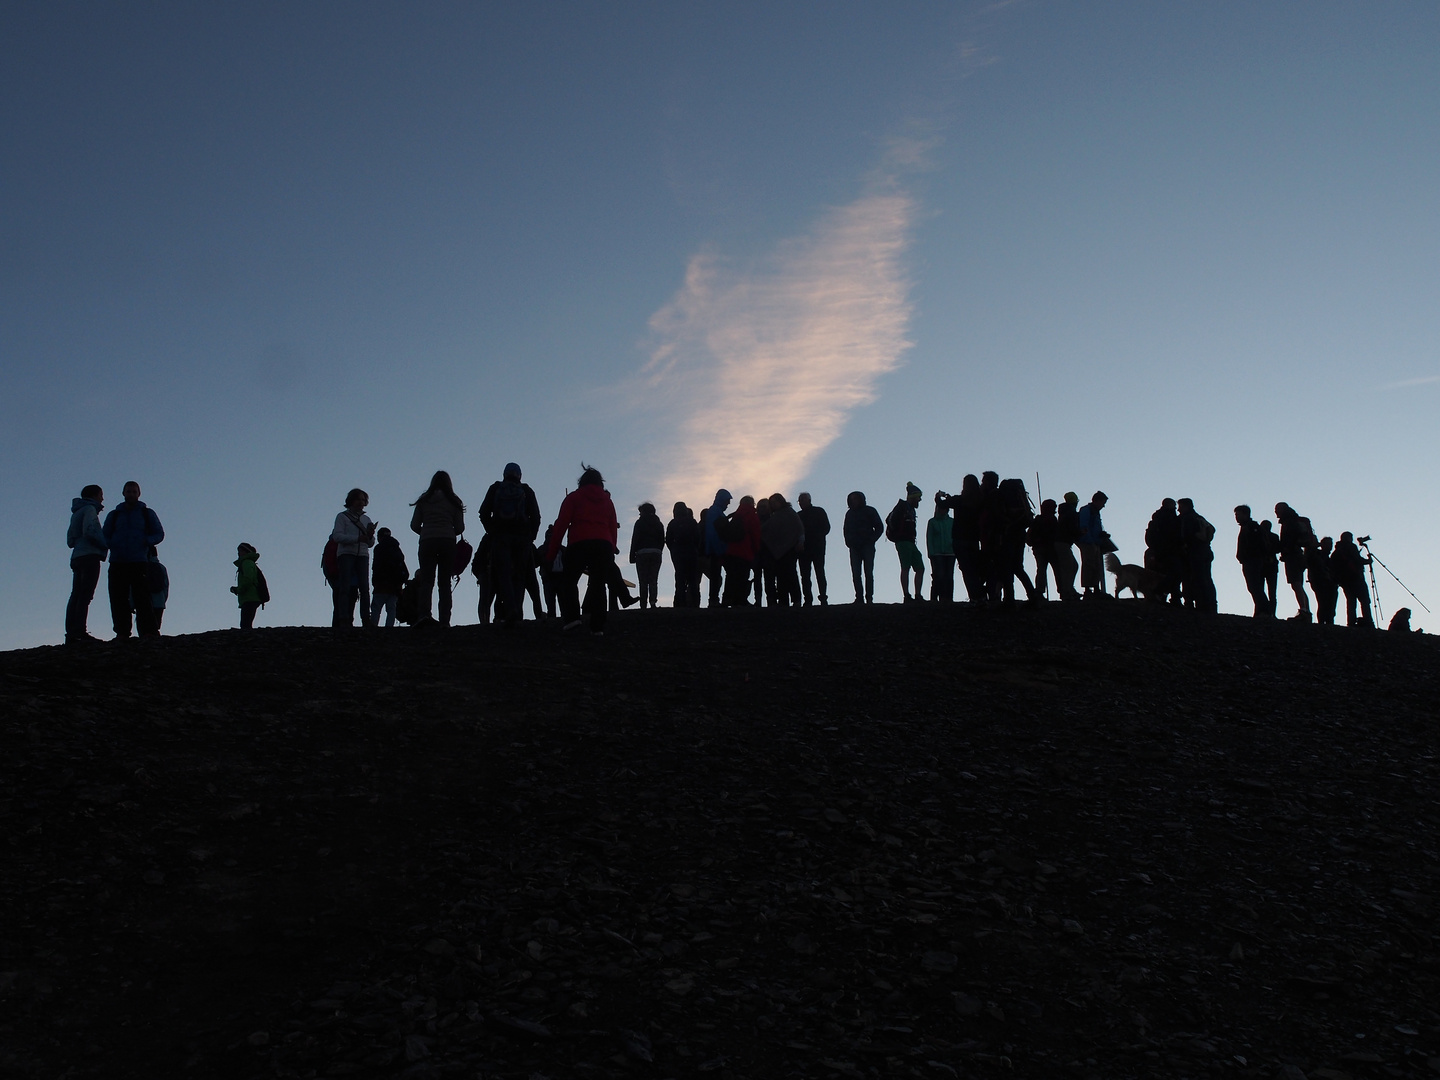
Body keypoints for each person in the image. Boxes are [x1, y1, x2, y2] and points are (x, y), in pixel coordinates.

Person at [545, 464, 620, 635]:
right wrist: (612, 549)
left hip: (578, 543)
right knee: (598, 583)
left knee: (569, 581)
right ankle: (597, 626)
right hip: (603, 544)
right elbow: (612, 527)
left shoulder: (573, 498)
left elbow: (561, 526)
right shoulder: (608, 501)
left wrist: (551, 553)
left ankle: (572, 618)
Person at [479, 463, 541, 626]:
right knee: (519, 575)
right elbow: (536, 516)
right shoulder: (527, 490)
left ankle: (510, 609)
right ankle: (517, 611)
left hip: (500, 537)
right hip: (522, 538)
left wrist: (491, 531)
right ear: (519, 475)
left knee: (503, 574)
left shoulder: (495, 488)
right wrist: (531, 537)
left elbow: (483, 512)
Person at [102, 481, 165, 639]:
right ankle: (122, 632)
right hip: (117, 560)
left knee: (142, 597)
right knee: (118, 598)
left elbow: (159, 533)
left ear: (139, 494)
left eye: (134, 491)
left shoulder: (147, 513)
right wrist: (112, 545)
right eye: (128, 491)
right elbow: (104, 535)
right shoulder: (114, 515)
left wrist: (145, 541)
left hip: (139, 560)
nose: (131, 494)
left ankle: (149, 631)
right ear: (123, 493)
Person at [409, 471, 466, 628]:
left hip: (427, 541)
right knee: (444, 583)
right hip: (447, 542)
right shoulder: (454, 501)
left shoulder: (424, 500)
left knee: (427, 580)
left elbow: (414, 525)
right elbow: (460, 527)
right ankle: (445, 620)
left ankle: (424, 615)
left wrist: (426, 532)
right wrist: (447, 531)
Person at [65, 484, 108, 644]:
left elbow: (70, 539)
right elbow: (90, 531)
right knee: (85, 595)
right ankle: (80, 631)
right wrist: (105, 544)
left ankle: (71, 632)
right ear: (95, 495)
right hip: (90, 555)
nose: (102, 498)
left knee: (76, 594)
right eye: (101, 494)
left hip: (77, 556)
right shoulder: (89, 510)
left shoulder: (76, 512)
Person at [331, 488, 376, 628]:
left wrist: (369, 536)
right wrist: (358, 538)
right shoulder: (342, 517)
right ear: (351, 500)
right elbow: (337, 536)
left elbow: (370, 543)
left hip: (362, 554)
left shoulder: (366, 519)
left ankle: (365, 618)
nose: (361, 502)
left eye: (363, 500)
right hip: (346, 554)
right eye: (358, 499)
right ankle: (344, 618)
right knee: (345, 587)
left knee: (364, 588)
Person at [1274, 502, 1317, 622]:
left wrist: (1284, 550)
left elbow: (1289, 539)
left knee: (1296, 583)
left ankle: (1303, 610)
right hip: (1299, 555)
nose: (1276, 512)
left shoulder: (1289, 522)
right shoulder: (1293, 519)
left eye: (1277, 509)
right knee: (1298, 584)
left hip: (1293, 556)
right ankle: (1306, 610)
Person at [945, 475, 986, 601]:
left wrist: (939, 497)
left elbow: (942, 504)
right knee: (974, 568)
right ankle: (980, 594)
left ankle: (974, 596)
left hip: (959, 539)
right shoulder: (980, 501)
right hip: (974, 539)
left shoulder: (959, 500)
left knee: (966, 570)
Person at [761, 493, 805, 608]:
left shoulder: (790, 513)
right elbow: (766, 531)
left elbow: (799, 529)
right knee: (780, 576)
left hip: (790, 549)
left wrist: (800, 542)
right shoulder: (774, 517)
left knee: (791, 574)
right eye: (771, 503)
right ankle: (783, 601)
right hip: (778, 552)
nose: (774, 505)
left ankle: (796, 600)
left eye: (775, 502)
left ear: (781, 501)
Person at [1234, 505, 1277, 618]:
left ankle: (1264, 610)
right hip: (1250, 560)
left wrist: (1248, 555)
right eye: (1236, 515)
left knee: (1254, 586)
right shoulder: (1248, 527)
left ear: (1246, 514)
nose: (1236, 517)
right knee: (1254, 586)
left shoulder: (1252, 527)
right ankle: (1262, 610)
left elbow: (1257, 545)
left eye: (1238, 514)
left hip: (1252, 560)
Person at [1026, 499, 1073, 601]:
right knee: (1057, 570)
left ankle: (1039, 592)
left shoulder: (1037, 520)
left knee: (1041, 570)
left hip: (1038, 548)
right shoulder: (1052, 519)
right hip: (1050, 548)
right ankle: (1063, 592)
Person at [886, 483, 926, 602]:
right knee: (906, 567)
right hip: (903, 541)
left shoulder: (909, 509)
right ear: (913, 497)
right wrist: (898, 534)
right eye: (918, 497)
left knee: (919, 567)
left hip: (910, 541)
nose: (920, 500)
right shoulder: (902, 507)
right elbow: (890, 520)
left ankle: (917, 594)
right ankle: (907, 595)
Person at [843, 491, 884, 604]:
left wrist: (871, 539)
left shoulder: (870, 511)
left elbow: (879, 527)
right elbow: (845, 529)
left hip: (867, 546)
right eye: (851, 499)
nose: (853, 501)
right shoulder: (849, 514)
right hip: (854, 547)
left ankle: (869, 598)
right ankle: (859, 597)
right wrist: (848, 542)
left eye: (855, 499)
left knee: (868, 572)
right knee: (856, 573)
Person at [1176, 498, 1216, 613]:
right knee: (1206, 578)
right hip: (1205, 551)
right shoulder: (1200, 518)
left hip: (1194, 552)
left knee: (1193, 578)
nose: (1178, 509)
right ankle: (1210, 604)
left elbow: (1186, 536)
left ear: (1186, 506)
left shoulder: (1187, 519)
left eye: (1181, 506)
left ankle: (1194, 603)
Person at [723, 496, 763, 608]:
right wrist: (756, 550)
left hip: (731, 551)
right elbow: (755, 534)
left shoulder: (736, 515)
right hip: (745, 551)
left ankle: (727, 598)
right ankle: (740, 600)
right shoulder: (752, 515)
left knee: (731, 576)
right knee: (742, 576)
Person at [1144, 499, 1184, 605]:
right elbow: (1177, 536)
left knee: (1160, 575)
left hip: (1159, 552)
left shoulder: (1156, 519)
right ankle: (1173, 598)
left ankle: (1160, 596)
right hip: (1170, 552)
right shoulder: (1174, 520)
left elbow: (1149, 537)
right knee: (1175, 575)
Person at [1330, 532, 1373, 628]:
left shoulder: (1336, 552)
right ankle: (1368, 621)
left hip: (1345, 581)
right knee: (1365, 601)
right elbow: (1357, 560)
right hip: (1357, 578)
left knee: (1351, 602)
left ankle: (1351, 623)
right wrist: (1367, 561)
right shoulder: (1351, 547)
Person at [629, 502, 666, 609]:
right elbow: (662, 540)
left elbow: (635, 539)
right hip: (656, 552)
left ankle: (643, 604)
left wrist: (632, 555)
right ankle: (653, 601)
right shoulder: (659, 523)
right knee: (653, 579)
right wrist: (659, 550)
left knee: (643, 580)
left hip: (642, 553)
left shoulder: (639, 523)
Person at [370, 527, 410, 627]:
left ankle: (373, 627)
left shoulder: (379, 548)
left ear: (379, 537)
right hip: (395, 586)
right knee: (391, 608)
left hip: (381, 584)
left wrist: (375, 581)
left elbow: (376, 566)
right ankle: (389, 628)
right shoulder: (396, 548)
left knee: (376, 608)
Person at [796, 492, 830, 607]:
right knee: (805, 575)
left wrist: (815, 537)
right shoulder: (798, 515)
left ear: (809, 500)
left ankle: (822, 597)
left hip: (817, 547)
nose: (801, 503)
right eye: (800, 501)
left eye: (803, 500)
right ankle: (808, 599)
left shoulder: (818, 511)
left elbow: (826, 527)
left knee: (819, 573)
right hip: (804, 549)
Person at [699, 489, 732, 608]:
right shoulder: (715, 511)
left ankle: (716, 600)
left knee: (716, 575)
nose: (728, 504)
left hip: (717, 548)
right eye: (727, 501)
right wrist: (716, 548)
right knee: (717, 575)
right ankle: (716, 600)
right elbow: (712, 533)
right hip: (718, 549)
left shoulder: (715, 511)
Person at [665, 502, 702, 608]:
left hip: (678, 553)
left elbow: (668, 540)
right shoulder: (692, 522)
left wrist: (674, 550)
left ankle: (680, 603)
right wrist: (695, 548)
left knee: (680, 578)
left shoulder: (672, 523)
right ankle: (694, 604)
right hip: (691, 552)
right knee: (692, 579)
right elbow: (697, 538)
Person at [1075, 491, 1111, 598]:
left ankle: (1095, 588)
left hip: (1095, 542)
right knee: (1089, 564)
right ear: (1097, 501)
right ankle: (1088, 589)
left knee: (1096, 565)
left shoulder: (1094, 512)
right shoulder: (1087, 510)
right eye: (1103, 502)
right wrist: (1089, 539)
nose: (1103, 506)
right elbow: (1084, 526)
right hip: (1087, 542)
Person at [926, 493, 956, 602]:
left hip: (950, 553)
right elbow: (929, 538)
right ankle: (935, 598)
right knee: (938, 576)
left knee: (949, 577)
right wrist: (931, 553)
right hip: (937, 553)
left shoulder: (952, 522)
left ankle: (948, 598)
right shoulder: (932, 522)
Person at [1054, 492, 1082, 601]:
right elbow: (1072, 529)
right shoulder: (1072, 513)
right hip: (1063, 543)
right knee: (1070, 567)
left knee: (1070, 566)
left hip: (1061, 542)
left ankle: (1068, 590)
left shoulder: (1064, 511)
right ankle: (1067, 591)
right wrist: (1080, 532)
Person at [231, 543, 264, 629]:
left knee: (245, 625)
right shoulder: (249, 563)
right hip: (251, 597)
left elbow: (248, 579)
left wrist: (238, 590)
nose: (238, 554)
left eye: (240, 551)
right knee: (246, 623)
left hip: (250, 597)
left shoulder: (246, 563)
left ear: (246, 552)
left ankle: (249, 641)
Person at [1309, 536, 1338, 626]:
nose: (1330, 546)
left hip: (1329, 582)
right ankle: (1323, 623)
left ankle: (1327, 622)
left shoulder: (1327, 558)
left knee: (1329, 603)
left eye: (1331, 544)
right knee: (1323, 603)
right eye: (1328, 544)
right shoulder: (1317, 554)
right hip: (1320, 582)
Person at [146, 546, 169, 629]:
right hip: (159, 601)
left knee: (144, 625)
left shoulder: (141, 567)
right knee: (156, 626)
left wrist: (132, 604)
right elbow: (166, 586)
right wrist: (163, 600)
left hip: (144, 600)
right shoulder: (161, 567)